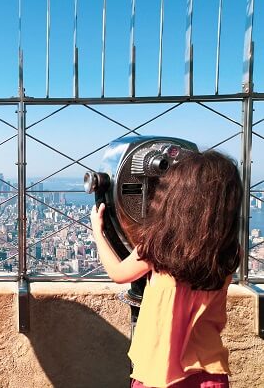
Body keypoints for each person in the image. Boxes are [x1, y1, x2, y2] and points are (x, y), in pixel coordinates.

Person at [90, 150, 242, 388]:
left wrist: (98, 232)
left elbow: (118, 274)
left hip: (158, 373)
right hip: (209, 373)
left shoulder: (158, 246)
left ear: (175, 197)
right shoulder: (229, 251)